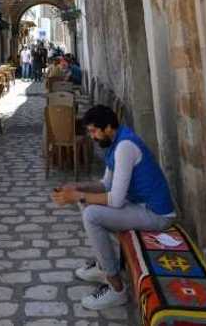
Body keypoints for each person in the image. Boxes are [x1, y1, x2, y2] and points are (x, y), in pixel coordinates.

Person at [51, 105, 175, 311]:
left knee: (91, 214)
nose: (92, 136)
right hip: (138, 205)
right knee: (87, 204)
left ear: (108, 127)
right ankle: (103, 266)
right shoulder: (114, 144)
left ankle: (116, 287)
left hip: (157, 215)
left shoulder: (125, 146)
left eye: (93, 131)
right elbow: (105, 185)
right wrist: (78, 187)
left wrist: (78, 195)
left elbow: (115, 200)